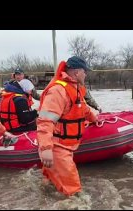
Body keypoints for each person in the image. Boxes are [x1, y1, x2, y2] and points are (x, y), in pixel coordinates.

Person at [36, 56, 98, 196]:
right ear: (76, 72)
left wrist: (94, 118)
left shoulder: (75, 89)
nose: (86, 74)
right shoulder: (58, 91)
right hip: (56, 147)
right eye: (85, 71)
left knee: (49, 185)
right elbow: (45, 121)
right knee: (74, 193)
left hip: (65, 146)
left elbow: (83, 109)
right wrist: (46, 148)